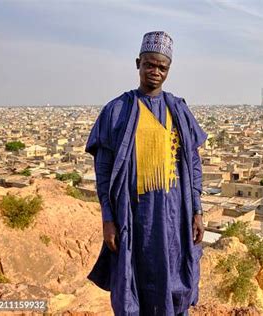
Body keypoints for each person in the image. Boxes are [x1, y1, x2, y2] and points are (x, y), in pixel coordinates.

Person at [85, 31, 207, 316]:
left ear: (168, 71)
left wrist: (198, 210)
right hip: (134, 215)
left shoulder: (178, 110)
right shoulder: (117, 111)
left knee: (174, 275)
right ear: (138, 63)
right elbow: (103, 171)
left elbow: (193, 161)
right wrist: (108, 219)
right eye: (149, 65)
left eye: (161, 67)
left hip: (176, 215)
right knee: (134, 278)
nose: (155, 72)